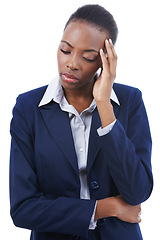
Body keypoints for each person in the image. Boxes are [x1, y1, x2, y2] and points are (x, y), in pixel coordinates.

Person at [9, 4, 153, 240]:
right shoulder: (28, 108)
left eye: (87, 57)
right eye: (65, 50)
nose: (72, 63)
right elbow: (23, 208)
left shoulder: (130, 101)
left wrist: (104, 105)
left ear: (105, 61)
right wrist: (105, 208)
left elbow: (137, 191)